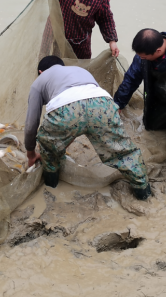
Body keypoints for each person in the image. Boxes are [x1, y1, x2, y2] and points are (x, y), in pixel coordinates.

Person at [25, 56, 151, 200]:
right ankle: (144, 193)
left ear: (41, 72)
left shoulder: (39, 81)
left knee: (49, 150)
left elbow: (31, 125)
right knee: (123, 153)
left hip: (65, 111)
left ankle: (51, 187)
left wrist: (31, 154)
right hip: (103, 105)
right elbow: (87, 108)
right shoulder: (79, 71)